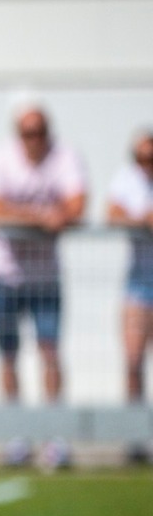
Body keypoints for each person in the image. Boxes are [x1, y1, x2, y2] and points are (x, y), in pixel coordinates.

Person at [0, 102, 86, 467]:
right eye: (27, 133)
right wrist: (41, 216)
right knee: (8, 353)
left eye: (39, 132)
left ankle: (54, 436)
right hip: (2, 273)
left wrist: (58, 215)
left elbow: (77, 205)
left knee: (50, 350)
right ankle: (17, 436)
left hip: (45, 276)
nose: (33, 140)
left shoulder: (66, 158)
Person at [105, 129, 153, 463]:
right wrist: (142, 220)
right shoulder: (127, 179)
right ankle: (135, 438)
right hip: (138, 284)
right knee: (133, 359)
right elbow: (112, 214)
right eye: (141, 158)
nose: (146, 164)